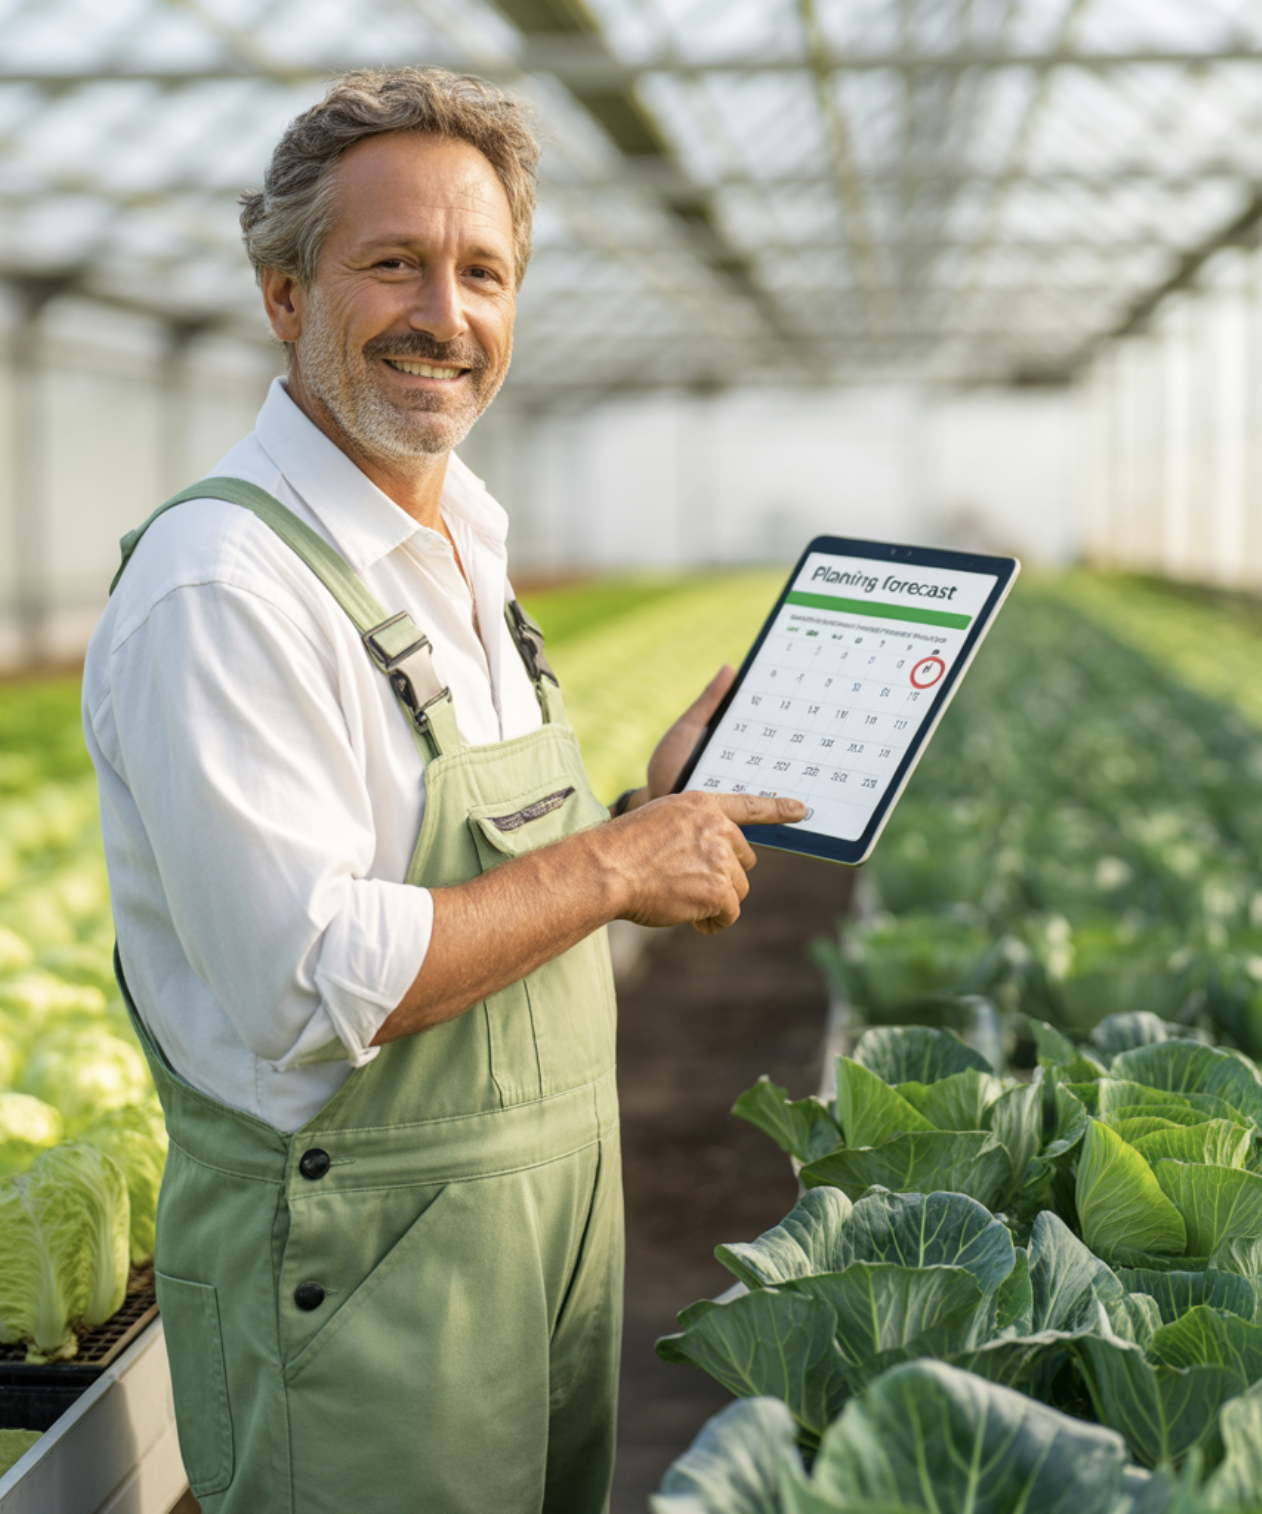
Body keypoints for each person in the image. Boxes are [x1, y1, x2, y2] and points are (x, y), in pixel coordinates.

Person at [83, 66, 803, 1514]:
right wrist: (609, 871)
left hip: (538, 1241)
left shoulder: (460, 534)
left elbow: (469, 882)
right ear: (286, 293)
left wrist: (655, 821)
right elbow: (309, 978)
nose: (446, 314)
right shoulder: (225, 586)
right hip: (358, 1284)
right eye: (393, 263)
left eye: (483, 272)